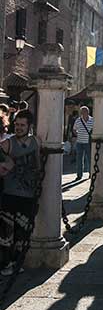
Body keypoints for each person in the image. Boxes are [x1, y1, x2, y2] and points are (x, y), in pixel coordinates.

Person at [0, 111, 40, 276]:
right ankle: (5, 264)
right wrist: (6, 162)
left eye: (22, 125)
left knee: (23, 232)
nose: (19, 128)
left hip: (28, 195)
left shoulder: (36, 142)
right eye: (16, 124)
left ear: (29, 126)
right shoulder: (7, 144)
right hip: (10, 194)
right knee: (6, 232)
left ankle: (16, 262)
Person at [73, 106, 93, 179]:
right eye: (83, 112)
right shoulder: (78, 120)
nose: (84, 113)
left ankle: (91, 173)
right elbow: (74, 129)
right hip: (79, 142)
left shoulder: (92, 120)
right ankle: (79, 175)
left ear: (88, 112)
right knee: (79, 159)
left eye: (85, 111)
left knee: (90, 159)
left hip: (88, 142)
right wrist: (78, 135)